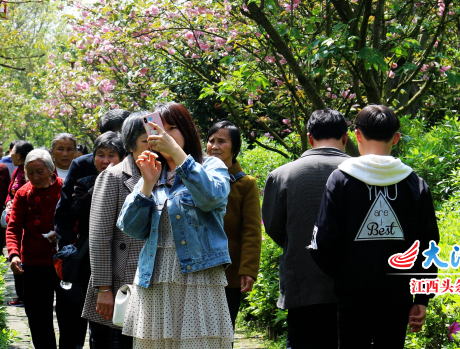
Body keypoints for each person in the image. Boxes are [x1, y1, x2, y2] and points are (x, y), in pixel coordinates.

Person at [309, 106, 440, 349]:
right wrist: (422, 297)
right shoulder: (415, 184)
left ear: (357, 135)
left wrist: (345, 277)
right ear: (396, 138)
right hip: (398, 298)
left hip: (351, 298)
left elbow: (323, 243)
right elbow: (428, 245)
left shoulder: (340, 179)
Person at [117, 102, 233, 349]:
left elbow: (211, 196)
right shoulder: (153, 171)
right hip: (155, 277)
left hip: (198, 277)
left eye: (172, 129)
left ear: (187, 131)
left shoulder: (210, 166)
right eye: (158, 129)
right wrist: (147, 184)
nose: (164, 135)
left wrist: (179, 156)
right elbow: (130, 226)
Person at [261, 109, 351, 349]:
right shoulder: (363, 172)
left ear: (309, 138)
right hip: (354, 288)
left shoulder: (282, 175)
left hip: (303, 285)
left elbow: (274, 228)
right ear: (345, 137)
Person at [83, 113, 149, 349]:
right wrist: (103, 288)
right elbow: (100, 236)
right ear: (130, 144)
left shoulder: (167, 174)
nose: (153, 144)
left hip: (152, 284)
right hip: (120, 285)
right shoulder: (112, 176)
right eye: (145, 140)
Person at [57, 132, 125, 349]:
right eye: (100, 155)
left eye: (112, 155)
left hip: (126, 258)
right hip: (93, 259)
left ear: (123, 158)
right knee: (98, 321)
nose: (105, 161)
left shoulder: (135, 182)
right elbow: (76, 211)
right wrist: (102, 184)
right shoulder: (84, 182)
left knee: (123, 323)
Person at [205, 120, 262, 330]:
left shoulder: (245, 183)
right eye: (211, 140)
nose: (215, 146)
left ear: (235, 148)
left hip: (227, 272)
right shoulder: (196, 177)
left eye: (222, 141)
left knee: (223, 330)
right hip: (196, 268)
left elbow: (252, 231)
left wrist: (247, 269)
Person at [6, 149, 64, 349]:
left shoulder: (65, 189)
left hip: (64, 264)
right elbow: (13, 227)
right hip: (33, 264)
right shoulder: (23, 193)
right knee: (38, 317)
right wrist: (14, 254)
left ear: (51, 169)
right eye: (30, 173)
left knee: (69, 316)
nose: (35, 177)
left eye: (39, 172)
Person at [56, 109, 130, 251]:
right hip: (90, 246)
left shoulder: (140, 163)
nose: (106, 160)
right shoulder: (82, 164)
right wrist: (64, 250)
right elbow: (65, 211)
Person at [7, 139, 34, 308]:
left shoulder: (27, 172)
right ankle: (21, 295)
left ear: (19, 155)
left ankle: (24, 295)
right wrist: (9, 202)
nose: (10, 154)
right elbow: (10, 192)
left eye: (13, 151)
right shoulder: (16, 171)